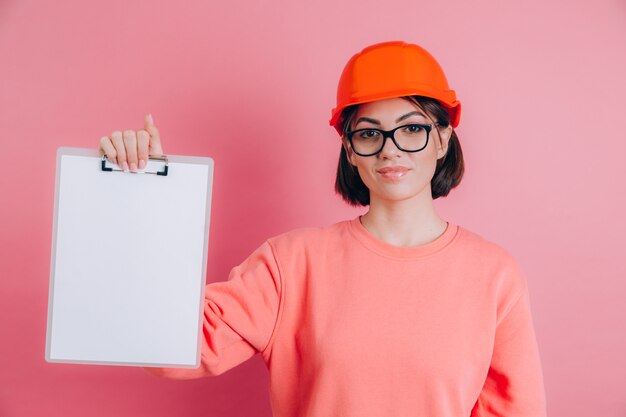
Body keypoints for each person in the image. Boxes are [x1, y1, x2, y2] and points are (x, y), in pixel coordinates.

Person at [98, 40, 547, 417]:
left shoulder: (494, 275)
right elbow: (168, 352)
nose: (390, 150)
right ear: (349, 150)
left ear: (444, 139)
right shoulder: (291, 264)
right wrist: (147, 197)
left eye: (411, 129)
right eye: (369, 133)